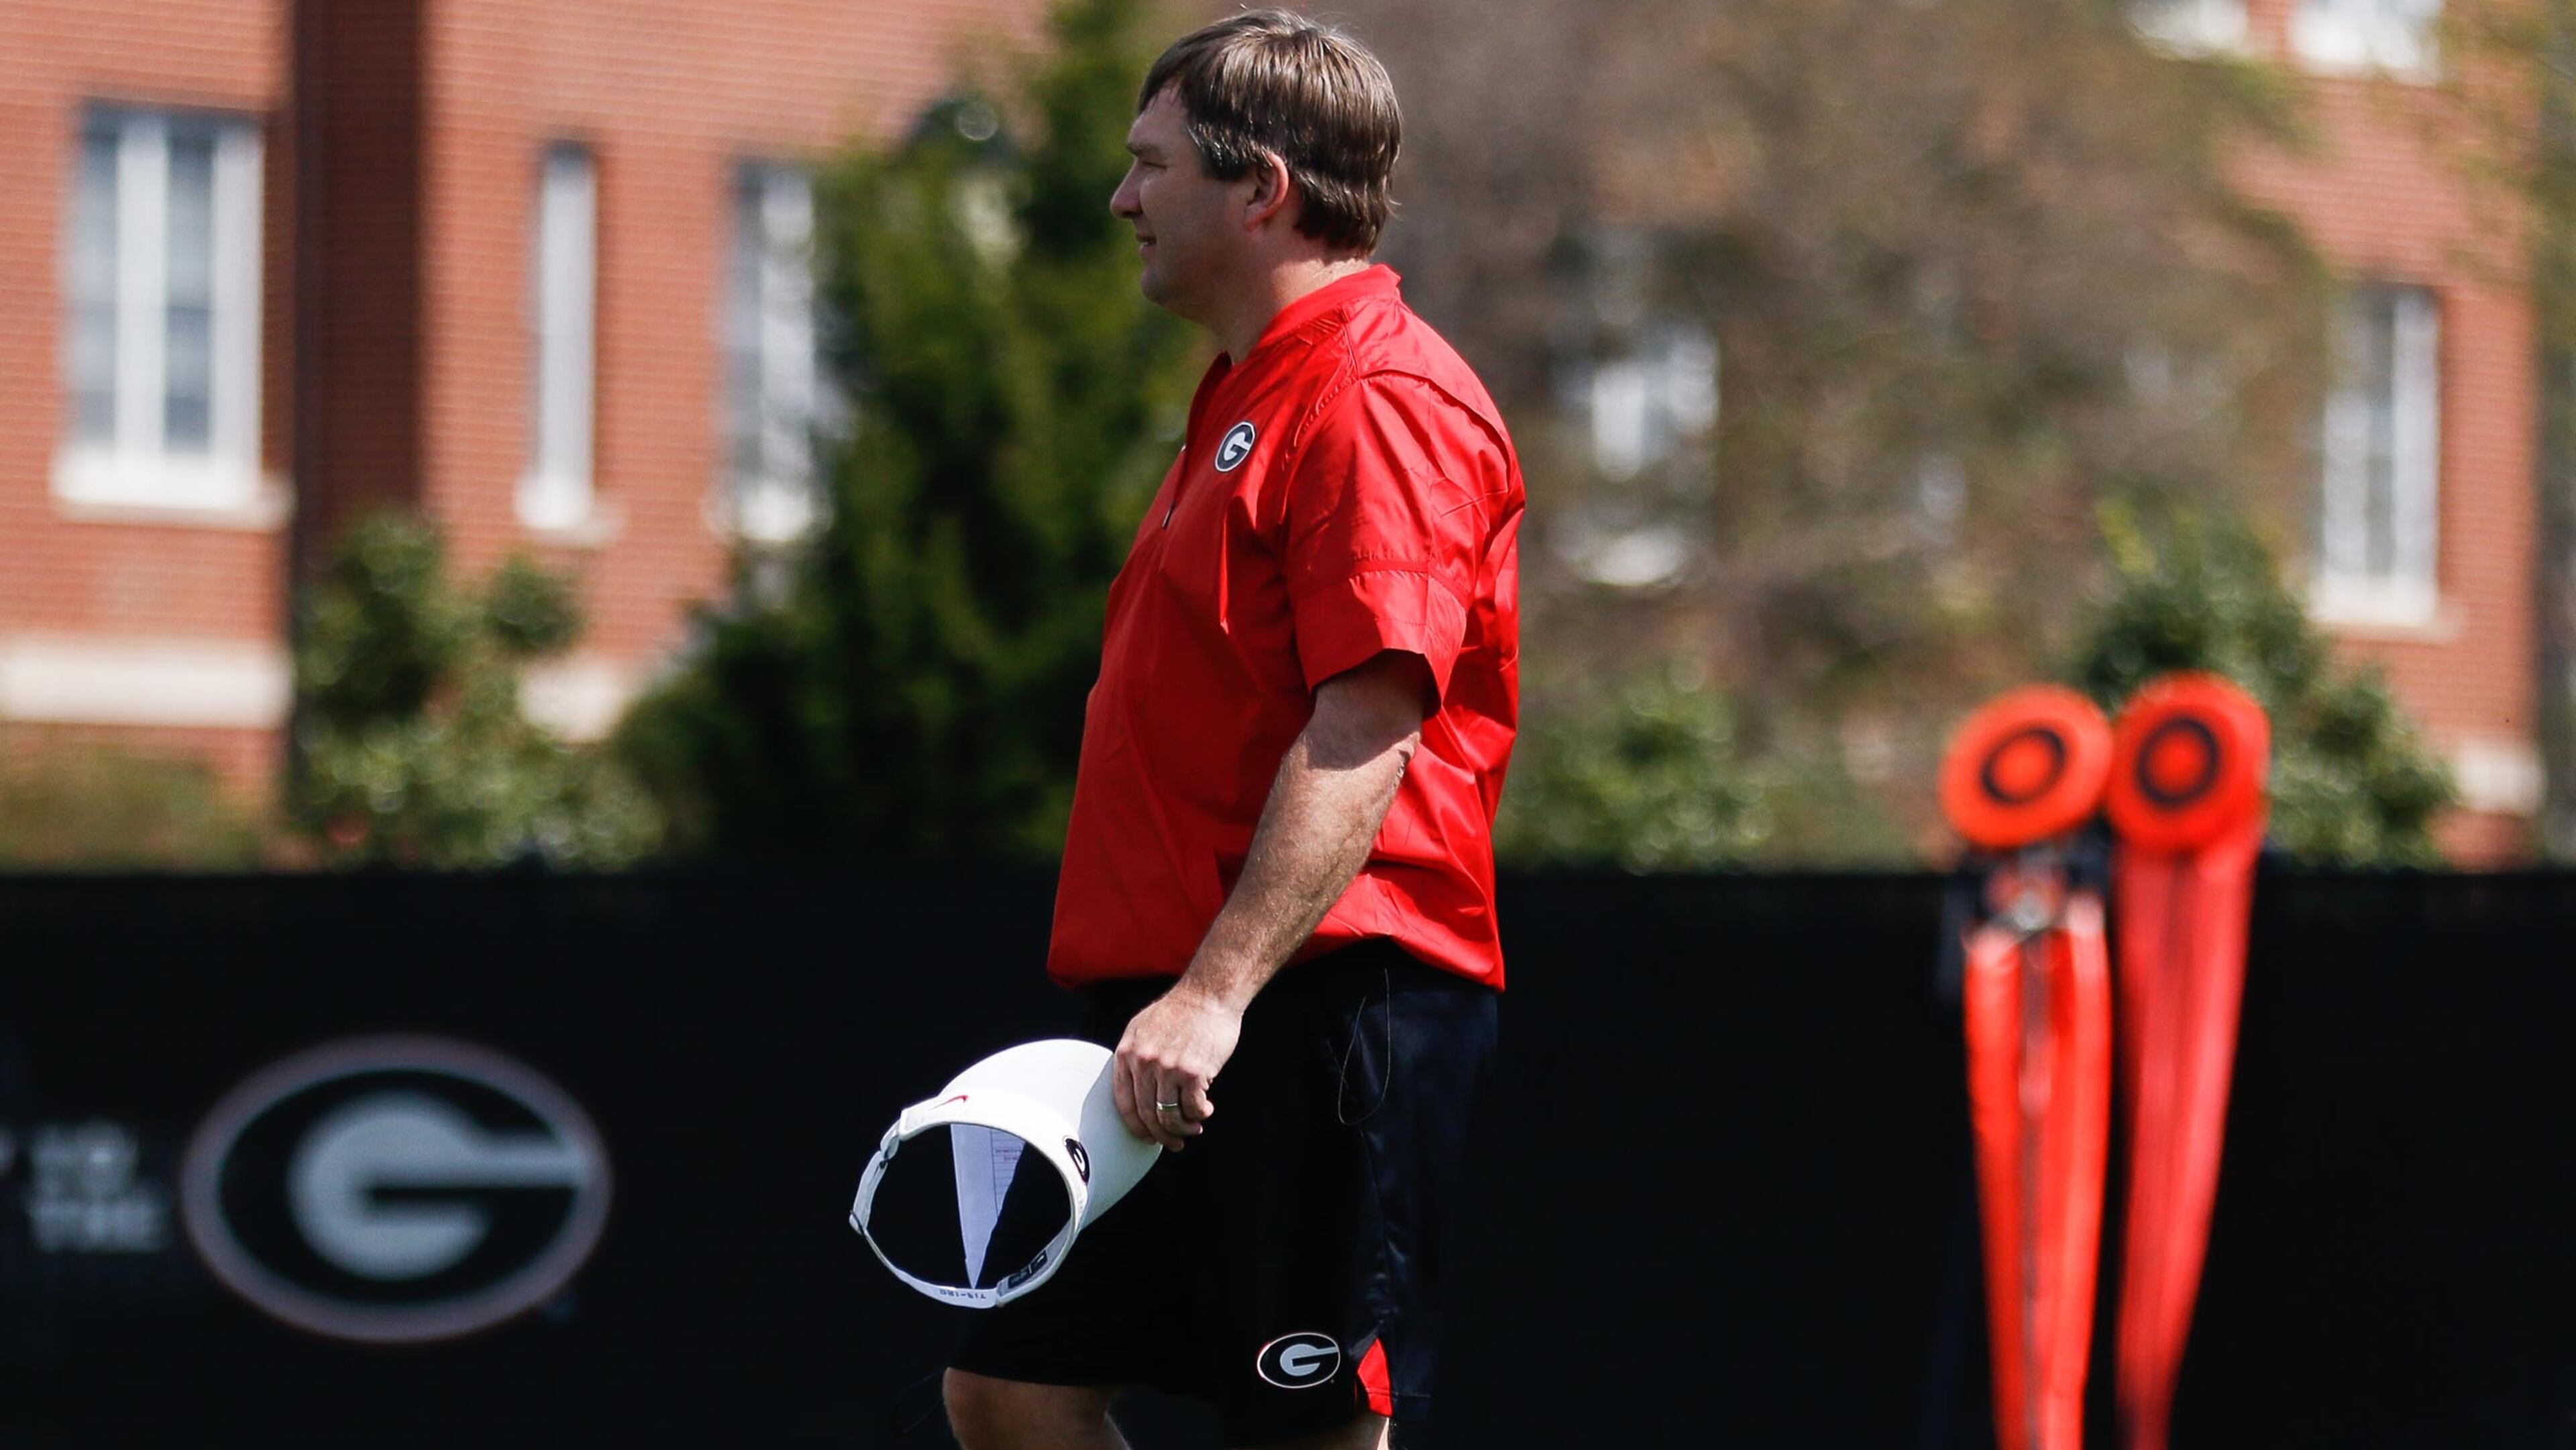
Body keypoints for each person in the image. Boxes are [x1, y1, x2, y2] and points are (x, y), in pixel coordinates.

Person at [943, 10, 1523, 1449]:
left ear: (1259, 188)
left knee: (1311, 1430)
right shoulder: (1247, 392)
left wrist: (1219, 991)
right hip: (1176, 1005)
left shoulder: (1376, 394)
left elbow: (1372, 719)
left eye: (1150, 167)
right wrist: (1181, 997)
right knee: (1011, 1388)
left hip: (1318, 999)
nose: (1122, 199)